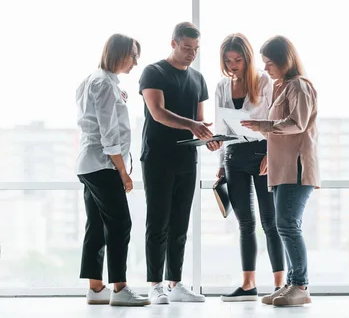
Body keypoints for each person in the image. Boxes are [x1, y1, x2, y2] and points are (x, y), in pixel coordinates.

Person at [139, 22, 215, 304]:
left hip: (187, 159)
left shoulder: (198, 78)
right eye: (186, 48)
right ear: (173, 43)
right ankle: (155, 284)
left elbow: (199, 123)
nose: (191, 54)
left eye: (195, 49)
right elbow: (158, 112)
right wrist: (194, 126)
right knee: (158, 221)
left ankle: (175, 283)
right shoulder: (153, 72)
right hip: (158, 157)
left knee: (181, 223)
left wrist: (209, 137)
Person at [241, 35, 319, 307]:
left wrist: (262, 126)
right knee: (283, 225)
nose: (266, 69)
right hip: (282, 167)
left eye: (270, 63)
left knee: (287, 225)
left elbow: (296, 123)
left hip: (296, 168)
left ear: (285, 60)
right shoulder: (283, 87)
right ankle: (292, 283)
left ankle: (300, 285)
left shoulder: (299, 86)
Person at [75, 34, 149, 307]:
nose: (135, 62)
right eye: (133, 56)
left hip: (89, 164)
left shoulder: (93, 80)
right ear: (118, 53)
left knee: (97, 225)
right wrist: (123, 172)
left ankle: (96, 290)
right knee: (120, 224)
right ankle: (120, 288)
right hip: (103, 165)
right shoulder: (103, 83)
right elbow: (108, 134)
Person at [214, 34, 285, 302]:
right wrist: (220, 164)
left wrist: (271, 153)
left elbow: (273, 119)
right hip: (233, 156)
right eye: (228, 60)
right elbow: (221, 128)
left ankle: (279, 285)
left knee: (270, 222)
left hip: (260, 154)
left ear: (247, 58)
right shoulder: (222, 85)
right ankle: (248, 285)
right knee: (245, 223)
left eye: (238, 59)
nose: (233, 65)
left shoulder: (264, 81)